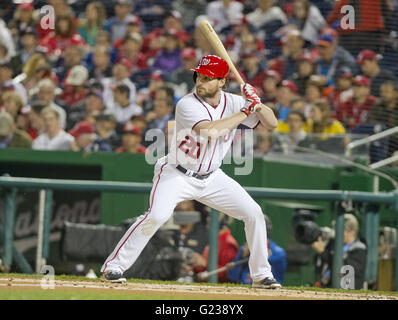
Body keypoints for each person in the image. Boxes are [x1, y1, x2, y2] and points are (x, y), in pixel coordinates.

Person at [100, 54, 281, 289]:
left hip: (212, 177)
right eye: (199, 76)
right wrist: (246, 112)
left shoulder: (234, 103)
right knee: (156, 216)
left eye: (208, 78)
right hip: (177, 173)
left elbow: (272, 123)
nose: (200, 81)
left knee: (254, 213)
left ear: (222, 82)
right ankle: (113, 267)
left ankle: (261, 275)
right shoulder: (187, 103)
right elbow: (210, 132)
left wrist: (258, 104)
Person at [311, 214, 367, 290]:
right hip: (326, 288)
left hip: (348, 292)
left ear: (352, 232)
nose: (337, 234)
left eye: (341, 230)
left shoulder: (359, 249)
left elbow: (345, 270)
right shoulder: (334, 245)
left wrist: (323, 252)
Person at [228, 215, 286, 284]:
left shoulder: (278, 253)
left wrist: (265, 257)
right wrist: (242, 256)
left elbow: (278, 280)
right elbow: (232, 276)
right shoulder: (244, 249)